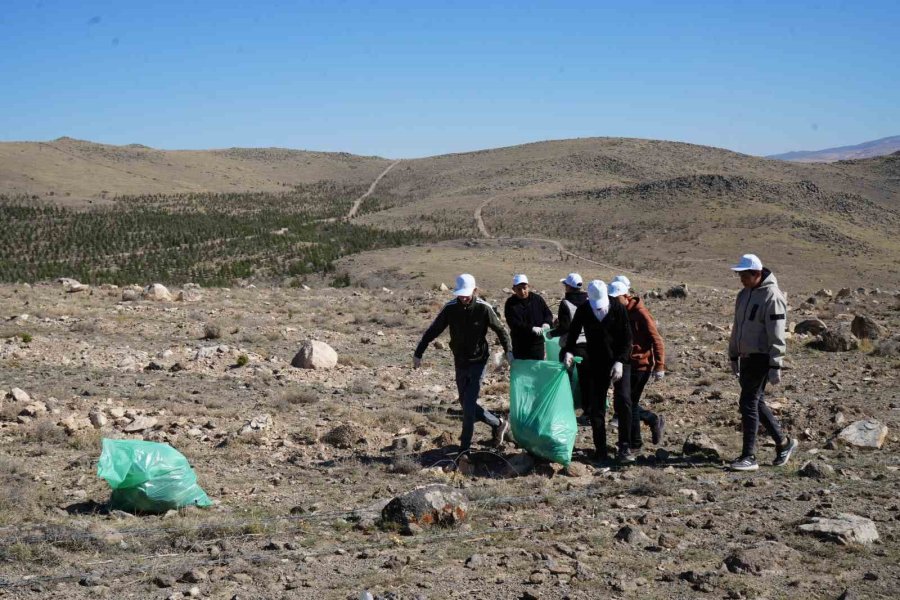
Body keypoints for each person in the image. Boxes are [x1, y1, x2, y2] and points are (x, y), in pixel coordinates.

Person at [414, 273, 513, 453]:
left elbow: (501, 330)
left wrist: (509, 352)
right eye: (461, 294)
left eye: (467, 293)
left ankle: (464, 448)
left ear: (475, 291)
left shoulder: (484, 308)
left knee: (468, 406)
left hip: (479, 360)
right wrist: (418, 352)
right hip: (460, 360)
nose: (464, 297)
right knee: (464, 401)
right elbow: (433, 330)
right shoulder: (450, 308)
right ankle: (498, 423)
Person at [727, 254, 798, 471]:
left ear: (756, 274)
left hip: (761, 357)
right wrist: (733, 354)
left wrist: (776, 364)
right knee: (755, 402)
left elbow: (777, 334)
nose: (740, 279)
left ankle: (749, 456)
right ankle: (784, 443)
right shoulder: (743, 294)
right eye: (739, 274)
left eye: (744, 275)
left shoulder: (772, 296)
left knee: (748, 402)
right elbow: (737, 327)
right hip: (746, 357)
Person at [563, 280, 634, 463]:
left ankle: (625, 447)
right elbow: (573, 334)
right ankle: (600, 449)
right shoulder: (585, 310)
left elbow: (627, 339)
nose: (599, 309)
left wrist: (619, 361)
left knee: (624, 401)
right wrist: (568, 351)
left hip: (619, 360)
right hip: (597, 361)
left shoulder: (618, 308)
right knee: (597, 408)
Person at [608, 280, 666, 448]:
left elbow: (657, 339)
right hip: (625, 363)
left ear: (626, 296)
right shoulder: (618, 311)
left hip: (641, 364)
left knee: (629, 404)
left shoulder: (641, 313)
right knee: (626, 403)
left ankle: (636, 441)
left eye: (615, 297)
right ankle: (648, 424)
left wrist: (659, 365)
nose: (612, 301)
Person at [549, 273, 590, 419]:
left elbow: (565, 327)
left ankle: (564, 408)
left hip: (571, 346)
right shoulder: (589, 300)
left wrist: (552, 334)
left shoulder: (566, 303)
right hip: (588, 346)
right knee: (586, 380)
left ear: (568, 287)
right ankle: (588, 412)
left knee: (565, 377)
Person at [504, 274, 553, 360]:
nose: (522, 291)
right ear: (513, 289)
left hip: (537, 345)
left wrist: (547, 322)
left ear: (528, 287)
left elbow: (547, 314)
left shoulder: (537, 299)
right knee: (523, 372)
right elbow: (514, 323)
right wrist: (531, 328)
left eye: (524, 288)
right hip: (520, 346)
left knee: (536, 370)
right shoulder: (511, 303)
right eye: (519, 289)